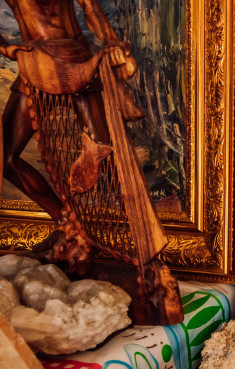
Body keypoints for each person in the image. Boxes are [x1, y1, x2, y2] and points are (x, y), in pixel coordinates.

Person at [0, 0, 134, 226]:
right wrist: (4, 48)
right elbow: (90, 7)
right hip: (48, 64)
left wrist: (112, 42)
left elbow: (89, 6)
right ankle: (69, 227)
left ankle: (134, 232)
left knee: (106, 156)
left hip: (70, 65)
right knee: (106, 156)